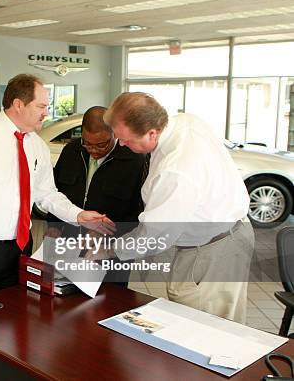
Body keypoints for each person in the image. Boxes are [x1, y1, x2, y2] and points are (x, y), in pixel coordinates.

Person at [0, 74, 113, 305]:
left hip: (19, 250)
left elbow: (46, 195)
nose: (46, 113)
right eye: (41, 106)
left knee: (12, 322)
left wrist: (78, 215)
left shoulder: (37, 145)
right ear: (18, 104)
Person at [87, 92, 254, 323]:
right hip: (228, 233)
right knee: (219, 319)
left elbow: (154, 236)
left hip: (213, 249)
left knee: (201, 325)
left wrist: (106, 250)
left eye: (126, 139)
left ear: (152, 132)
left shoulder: (175, 171)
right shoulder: (186, 121)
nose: (122, 144)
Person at [46, 106, 148, 285]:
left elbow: (140, 213)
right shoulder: (72, 151)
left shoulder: (134, 159)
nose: (93, 150)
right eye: (87, 143)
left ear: (114, 133)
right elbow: (56, 191)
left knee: (109, 302)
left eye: (101, 144)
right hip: (70, 245)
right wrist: (54, 225)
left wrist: (107, 234)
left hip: (111, 250)